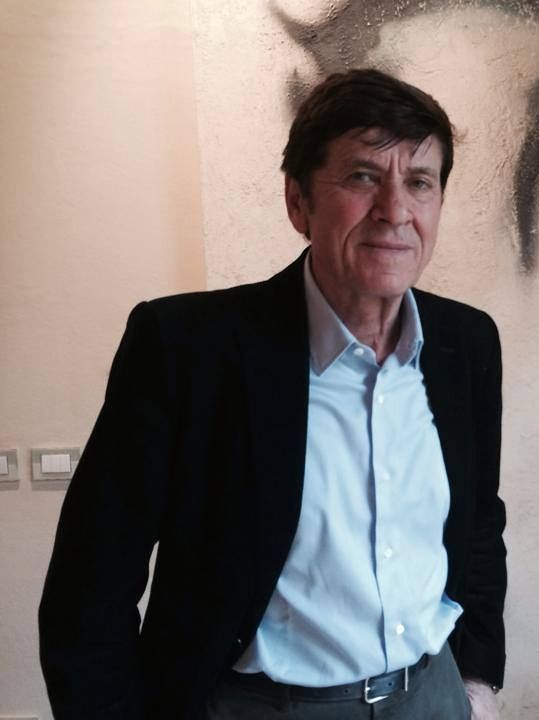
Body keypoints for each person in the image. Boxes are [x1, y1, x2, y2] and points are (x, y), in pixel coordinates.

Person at [38, 68, 506, 720]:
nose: (396, 211)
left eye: (420, 182)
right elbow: (91, 583)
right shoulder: (187, 349)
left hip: (431, 696)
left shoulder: (466, 343)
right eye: (363, 176)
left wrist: (477, 681)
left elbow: (480, 525)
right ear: (297, 202)